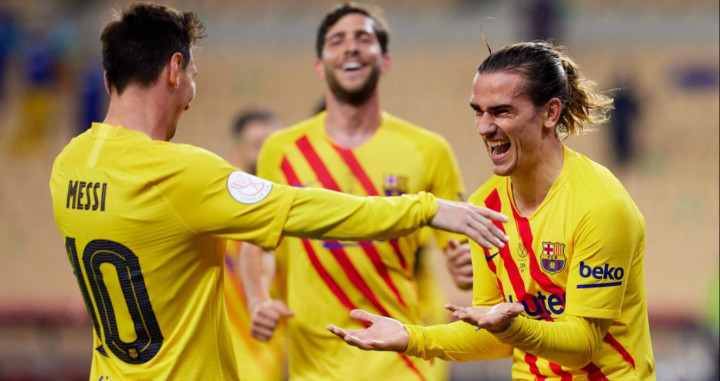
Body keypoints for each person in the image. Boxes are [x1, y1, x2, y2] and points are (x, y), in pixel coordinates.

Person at [48, 3, 509, 380]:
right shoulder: (183, 173)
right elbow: (308, 208)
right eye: (192, 74)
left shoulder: (68, 165)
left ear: (110, 79)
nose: (191, 93)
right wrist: (425, 208)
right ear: (174, 70)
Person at [327, 41, 656, 381]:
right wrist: (412, 337)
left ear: (550, 113)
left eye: (501, 111)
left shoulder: (601, 206)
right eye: (478, 111)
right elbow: (491, 333)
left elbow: (583, 344)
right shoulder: (485, 206)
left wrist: (512, 328)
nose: (484, 127)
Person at [241, 3, 472, 380]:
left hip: (405, 363)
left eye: (364, 38)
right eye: (337, 40)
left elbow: (462, 262)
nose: (351, 47)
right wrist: (258, 299)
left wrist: (466, 270)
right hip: (313, 366)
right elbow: (258, 242)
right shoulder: (280, 151)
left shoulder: (429, 150)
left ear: (385, 62)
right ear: (319, 65)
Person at [223, 108, 286, 380]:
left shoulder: (292, 220)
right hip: (223, 355)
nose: (265, 156)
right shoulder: (214, 216)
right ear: (236, 152)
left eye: (272, 146)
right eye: (258, 145)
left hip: (273, 359)